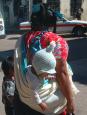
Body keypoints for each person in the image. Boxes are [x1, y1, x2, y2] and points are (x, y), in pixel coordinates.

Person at [14, 3, 79, 115]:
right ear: (50, 21)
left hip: (23, 98)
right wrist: (70, 102)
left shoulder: (21, 40)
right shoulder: (56, 40)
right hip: (46, 104)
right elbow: (61, 73)